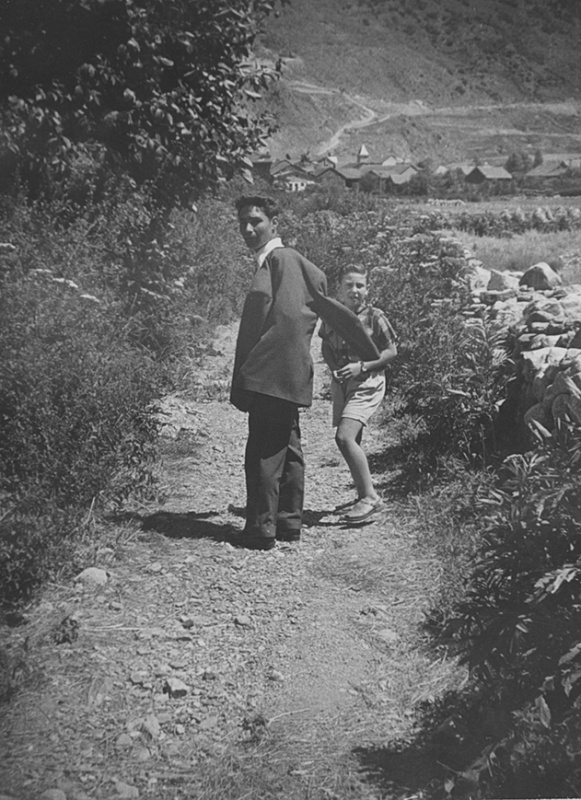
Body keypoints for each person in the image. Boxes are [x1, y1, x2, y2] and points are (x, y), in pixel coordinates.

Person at [230, 196, 380, 550]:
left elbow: (265, 316)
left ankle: (260, 530)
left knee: (264, 450)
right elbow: (320, 298)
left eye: (256, 221)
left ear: (274, 225)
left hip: (271, 372)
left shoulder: (276, 260)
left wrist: (247, 373)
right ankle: (288, 523)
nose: (249, 230)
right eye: (242, 224)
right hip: (292, 372)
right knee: (289, 448)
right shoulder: (301, 264)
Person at [320, 265, 397, 524]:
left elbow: (391, 351)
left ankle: (369, 497)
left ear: (368, 289)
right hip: (344, 384)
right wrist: (334, 370)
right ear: (339, 291)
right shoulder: (333, 316)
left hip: (368, 381)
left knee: (344, 437)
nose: (355, 291)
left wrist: (362, 366)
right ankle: (361, 495)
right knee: (355, 440)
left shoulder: (375, 316)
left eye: (360, 285)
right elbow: (325, 345)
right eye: (349, 285)